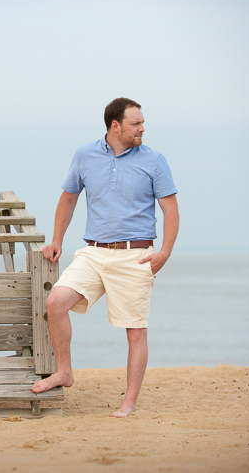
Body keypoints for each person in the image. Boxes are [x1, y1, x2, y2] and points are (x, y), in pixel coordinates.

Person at [31, 98, 180, 418]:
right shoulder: (85, 155)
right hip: (94, 251)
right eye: (135, 124)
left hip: (136, 254)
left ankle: (129, 402)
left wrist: (164, 251)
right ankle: (64, 372)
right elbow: (68, 199)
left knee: (135, 331)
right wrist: (57, 239)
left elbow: (171, 209)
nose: (142, 129)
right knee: (56, 301)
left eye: (142, 123)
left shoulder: (154, 160)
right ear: (115, 126)